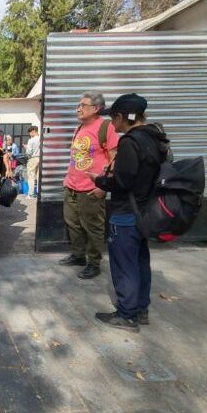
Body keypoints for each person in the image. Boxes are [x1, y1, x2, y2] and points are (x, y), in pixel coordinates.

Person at [88, 93, 170, 332]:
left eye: (113, 118)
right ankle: (141, 309)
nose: (112, 124)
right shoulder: (155, 138)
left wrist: (101, 181)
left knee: (124, 265)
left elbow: (123, 181)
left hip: (126, 213)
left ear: (123, 117)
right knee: (140, 261)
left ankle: (127, 315)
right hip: (146, 211)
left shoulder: (130, 142)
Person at [59, 92, 119, 279]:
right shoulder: (79, 128)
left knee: (93, 227)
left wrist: (104, 186)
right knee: (73, 224)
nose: (78, 108)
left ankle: (93, 263)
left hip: (91, 189)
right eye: (78, 105)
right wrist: (67, 179)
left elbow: (115, 158)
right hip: (72, 186)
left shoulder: (105, 127)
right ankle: (78, 256)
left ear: (96, 108)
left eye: (83, 105)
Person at [23, 126, 40, 199]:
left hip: (33, 158)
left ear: (33, 131)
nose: (30, 134)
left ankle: (31, 194)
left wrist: (26, 147)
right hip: (41, 158)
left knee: (31, 177)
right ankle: (39, 194)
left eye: (30, 132)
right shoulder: (42, 138)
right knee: (40, 177)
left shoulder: (31, 140)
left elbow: (29, 152)